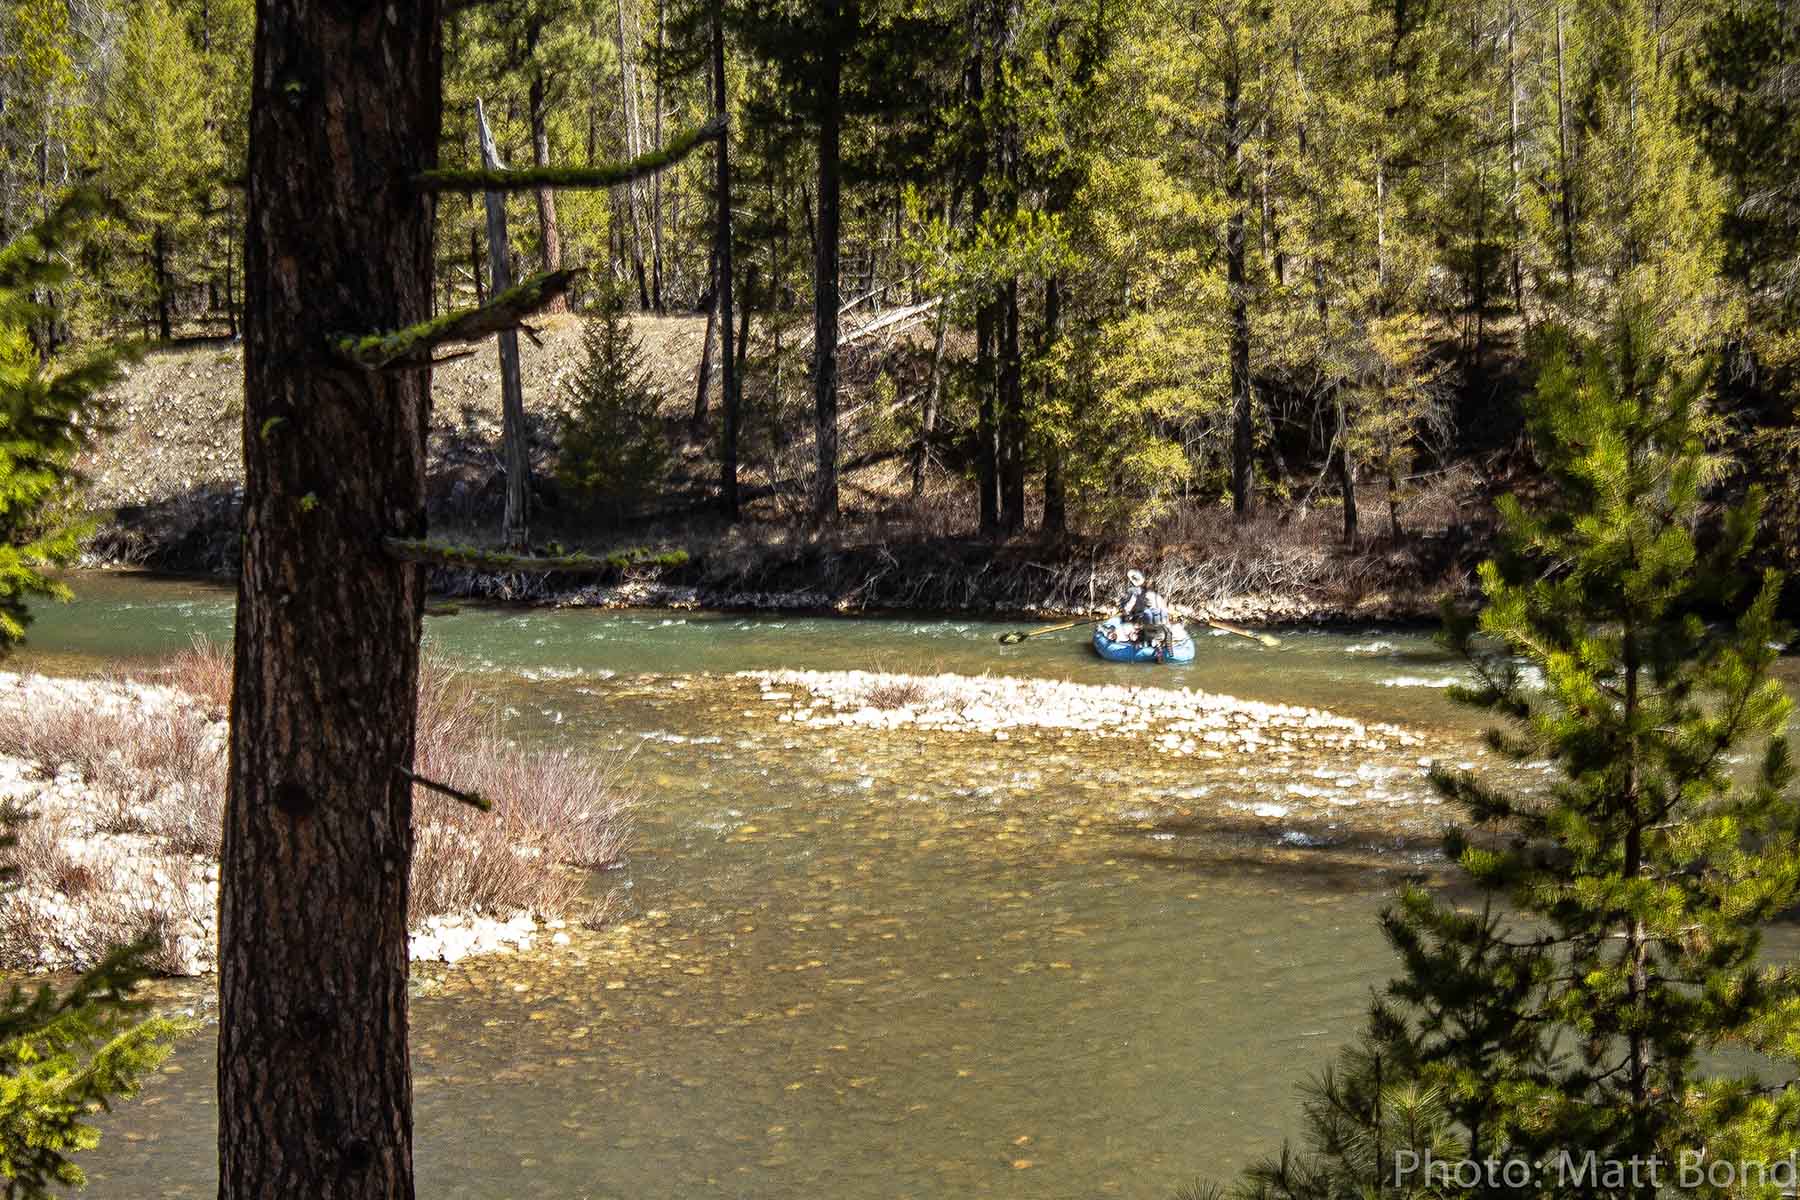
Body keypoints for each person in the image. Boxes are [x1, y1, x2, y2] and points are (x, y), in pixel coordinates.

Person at [1117, 569, 1172, 655]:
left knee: (1140, 630)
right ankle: (1158, 645)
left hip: (1149, 623)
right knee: (1157, 631)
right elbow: (1165, 611)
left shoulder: (1137, 594)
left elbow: (1127, 608)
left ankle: (1145, 644)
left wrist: (1127, 615)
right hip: (1163, 624)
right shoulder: (1158, 596)